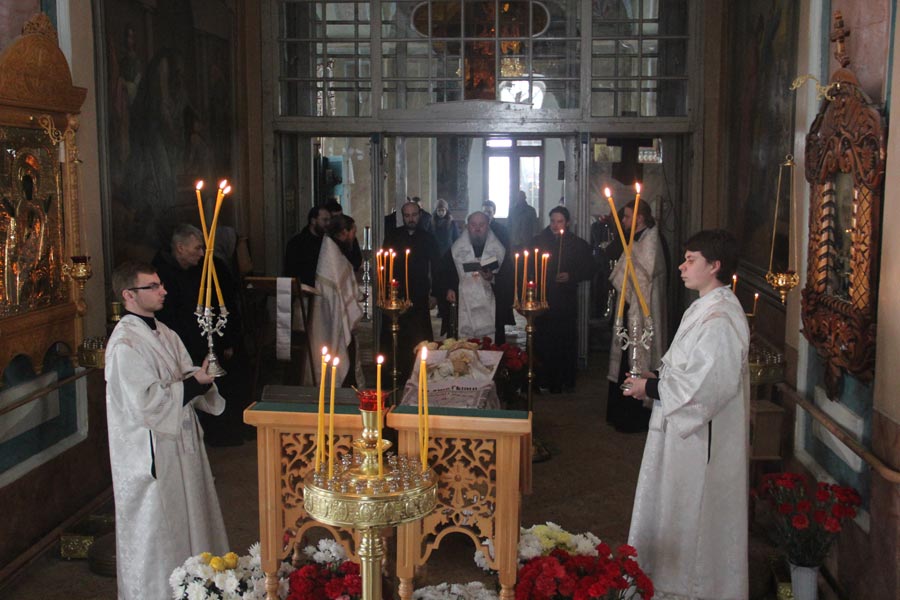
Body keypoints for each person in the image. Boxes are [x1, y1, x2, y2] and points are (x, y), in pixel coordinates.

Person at [623, 229, 750, 600]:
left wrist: (650, 389)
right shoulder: (704, 306)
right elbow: (687, 366)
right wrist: (655, 376)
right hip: (684, 433)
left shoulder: (721, 319)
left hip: (700, 440)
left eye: (691, 260)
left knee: (695, 518)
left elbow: (705, 387)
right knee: (672, 509)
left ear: (715, 266)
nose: (681, 266)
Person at [104, 261, 228, 600]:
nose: (164, 291)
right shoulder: (125, 344)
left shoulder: (164, 331)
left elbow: (183, 372)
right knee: (159, 530)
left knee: (193, 519)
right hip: (152, 453)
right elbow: (145, 402)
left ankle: (197, 588)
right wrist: (194, 384)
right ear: (129, 295)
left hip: (180, 445)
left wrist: (202, 376)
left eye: (160, 284)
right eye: (153, 286)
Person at [152, 224, 245, 446]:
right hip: (181, 345)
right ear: (180, 248)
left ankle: (221, 433)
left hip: (205, 342)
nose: (202, 253)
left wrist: (226, 339)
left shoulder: (207, 269)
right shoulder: (162, 273)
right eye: (197, 248)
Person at [606, 199, 668, 433]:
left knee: (639, 357)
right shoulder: (634, 238)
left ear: (639, 218)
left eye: (627, 217)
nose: (623, 221)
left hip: (643, 311)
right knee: (626, 355)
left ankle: (635, 417)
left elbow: (643, 276)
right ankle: (620, 412)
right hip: (629, 307)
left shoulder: (652, 240)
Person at [531, 207, 593, 393]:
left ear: (567, 223)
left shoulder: (577, 244)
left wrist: (571, 276)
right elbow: (529, 267)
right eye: (552, 221)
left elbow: (589, 268)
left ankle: (563, 380)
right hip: (544, 298)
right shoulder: (539, 241)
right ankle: (542, 379)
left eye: (559, 222)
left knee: (563, 339)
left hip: (565, 300)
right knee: (543, 339)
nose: (555, 225)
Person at [381, 201, 440, 383]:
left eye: (414, 215)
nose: (411, 219)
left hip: (419, 293)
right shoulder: (393, 236)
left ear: (419, 215)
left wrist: (435, 293)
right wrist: (385, 292)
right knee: (397, 334)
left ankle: (420, 374)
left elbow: (436, 266)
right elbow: (386, 265)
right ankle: (395, 373)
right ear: (402, 216)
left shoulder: (428, 237)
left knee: (419, 333)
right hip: (396, 293)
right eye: (407, 216)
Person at [437, 211, 514, 343]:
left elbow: (508, 278)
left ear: (488, 226)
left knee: (490, 348)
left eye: (481, 225)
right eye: (473, 225)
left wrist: (492, 278)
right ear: (467, 226)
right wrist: (449, 288)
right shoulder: (456, 249)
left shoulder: (499, 250)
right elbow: (444, 273)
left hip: (491, 306)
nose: (477, 228)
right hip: (463, 305)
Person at [307, 214, 364, 387]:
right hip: (334, 314)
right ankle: (344, 389)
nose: (354, 236)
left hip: (334, 312)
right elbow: (341, 289)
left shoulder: (332, 250)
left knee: (342, 350)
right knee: (340, 350)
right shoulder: (332, 255)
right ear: (343, 232)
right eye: (353, 232)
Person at [284, 205, 331, 286]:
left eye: (329, 220)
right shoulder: (296, 243)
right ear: (313, 221)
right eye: (325, 220)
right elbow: (291, 272)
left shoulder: (329, 242)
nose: (328, 223)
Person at [325, 198, 362, 271]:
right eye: (335, 217)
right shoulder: (328, 241)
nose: (340, 219)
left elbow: (357, 261)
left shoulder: (350, 237)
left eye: (341, 215)